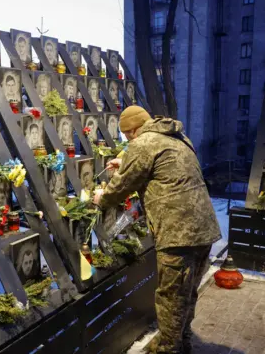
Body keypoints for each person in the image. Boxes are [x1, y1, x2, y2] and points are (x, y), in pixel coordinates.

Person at [92, 106, 220, 354]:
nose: (129, 140)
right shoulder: (177, 137)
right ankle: (180, 341)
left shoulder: (143, 143)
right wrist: (126, 161)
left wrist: (102, 197)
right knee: (187, 292)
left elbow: (121, 188)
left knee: (171, 297)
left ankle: (168, 349)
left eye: (128, 135)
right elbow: (162, 168)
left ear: (133, 129)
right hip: (204, 228)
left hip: (178, 233)